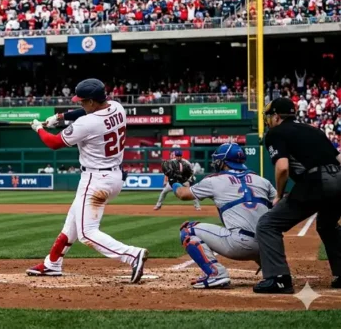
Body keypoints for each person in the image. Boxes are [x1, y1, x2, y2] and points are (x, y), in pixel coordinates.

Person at [26, 78, 148, 283]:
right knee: (72, 222)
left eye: (82, 101)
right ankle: (52, 264)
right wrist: (60, 117)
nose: (80, 104)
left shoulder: (87, 123)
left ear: (92, 101)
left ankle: (132, 254)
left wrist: (39, 128)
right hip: (114, 176)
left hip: (95, 179)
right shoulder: (117, 107)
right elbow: (85, 112)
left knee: (86, 233)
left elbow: (54, 142)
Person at [254, 97, 341, 293]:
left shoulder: (275, 133)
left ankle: (278, 279)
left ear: (276, 116)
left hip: (317, 182)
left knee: (268, 224)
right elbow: (339, 158)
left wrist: (279, 195)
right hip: (339, 179)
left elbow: (283, 168)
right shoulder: (314, 130)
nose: (268, 120)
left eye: (269, 116)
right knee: (327, 225)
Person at [171, 143, 276, 288]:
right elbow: (277, 207)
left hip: (239, 245)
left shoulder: (214, 180)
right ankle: (271, 269)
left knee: (188, 230)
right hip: (268, 246)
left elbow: (183, 194)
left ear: (224, 162)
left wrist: (174, 181)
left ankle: (215, 274)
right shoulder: (263, 181)